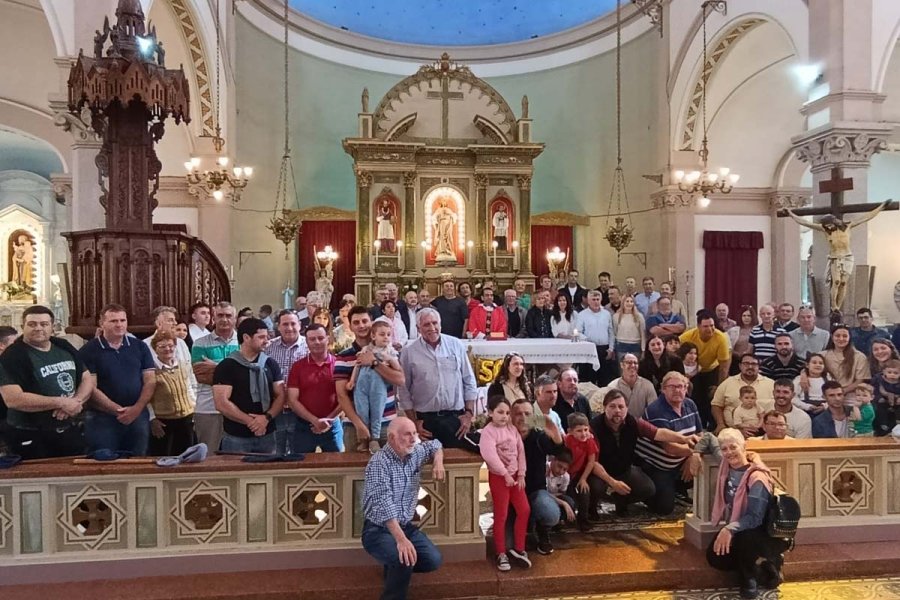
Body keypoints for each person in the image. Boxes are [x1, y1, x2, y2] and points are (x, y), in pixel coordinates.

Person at [362, 417, 445, 600]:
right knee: (403, 559)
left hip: (406, 525)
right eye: (407, 434)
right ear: (392, 438)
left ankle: (392, 565)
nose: (413, 439)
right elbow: (384, 504)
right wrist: (401, 540)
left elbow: (435, 444)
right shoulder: (379, 462)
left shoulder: (415, 451)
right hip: (378, 529)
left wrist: (438, 461)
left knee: (433, 560)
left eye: (415, 433)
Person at [706, 427, 789, 599]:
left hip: (764, 531)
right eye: (724, 449)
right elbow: (708, 437)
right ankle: (765, 568)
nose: (729, 452)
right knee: (715, 556)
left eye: (733, 447)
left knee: (744, 540)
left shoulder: (757, 477)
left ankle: (749, 578)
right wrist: (694, 454)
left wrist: (729, 529)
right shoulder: (726, 465)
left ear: (744, 446)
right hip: (741, 526)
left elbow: (755, 517)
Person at [0, 307, 91, 459]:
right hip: (31, 433)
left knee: (73, 478)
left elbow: (87, 378)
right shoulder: (11, 356)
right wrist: (61, 402)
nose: (38, 328)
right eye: (32, 324)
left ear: (52, 327)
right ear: (23, 327)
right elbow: (13, 399)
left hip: (68, 428)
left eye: (44, 324)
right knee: (38, 479)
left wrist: (76, 401)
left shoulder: (62, 346)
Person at [591, 389, 699, 516]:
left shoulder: (634, 422)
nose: (617, 410)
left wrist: (684, 438)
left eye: (621, 407)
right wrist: (612, 483)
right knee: (594, 488)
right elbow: (593, 462)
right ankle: (591, 509)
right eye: (612, 406)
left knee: (647, 489)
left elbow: (659, 433)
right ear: (605, 408)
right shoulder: (594, 427)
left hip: (624, 470)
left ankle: (621, 501)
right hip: (600, 473)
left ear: (627, 408)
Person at [397, 308, 479, 451]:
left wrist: (469, 414)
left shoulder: (456, 345)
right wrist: (413, 422)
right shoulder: (409, 352)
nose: (432, 328)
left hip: (456, 419)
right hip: (426, 422)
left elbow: (469, 381)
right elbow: (403, 390)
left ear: (441, 324)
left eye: (435, 323)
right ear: (418, 328)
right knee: (428, 468)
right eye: (426, 324)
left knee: (457, 465)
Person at [80, 304, 156, 456]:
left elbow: (150, 381)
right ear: (102, 323)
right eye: (114, 321)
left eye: (123, 320)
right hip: (102, 418)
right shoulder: (89, 350)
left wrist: (136, 409)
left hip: (137, 414)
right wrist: (118, 411)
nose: (119, 324)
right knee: (104, 461)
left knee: (138, 460)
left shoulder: (139, 346)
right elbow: (91, 387)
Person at [785, 202, 888, 313]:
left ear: (834, 221)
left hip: (847, 257)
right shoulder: (825, 230)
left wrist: (881, 207)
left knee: (844, 282)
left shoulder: (847, 226)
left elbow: (866, 217)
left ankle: (838, 306)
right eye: (827, 225)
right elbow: (805, 222)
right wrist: (791, 214)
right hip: (835, 257)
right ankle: (834, 306)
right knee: (837, 281)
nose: (828, 226)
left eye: (829, 224)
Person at [212, 317, 284, 454]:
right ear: (246, 337)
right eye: (261, 337)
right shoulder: (227, 366)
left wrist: (266, 418)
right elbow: (221, 402)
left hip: (267, 434)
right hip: (236, 437)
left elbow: (280, 395)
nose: (266, 341)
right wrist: (252, 422)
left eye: (267, 336)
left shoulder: (270, 364)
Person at [635, 372, 703, 516]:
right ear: (663, 389)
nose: (677, 390)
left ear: (686, 388)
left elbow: (699, 434)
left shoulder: (690, 404)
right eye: (672, 387)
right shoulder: (656, 410)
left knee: (707, 466)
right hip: (655, 465)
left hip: (681, 459)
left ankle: (676, 487)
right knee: (664, 508)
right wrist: (694, 452)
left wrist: (693, 456)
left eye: (681, 386)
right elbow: (670, 448)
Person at [335, 307, 404, 450]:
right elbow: (342, 395)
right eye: (356, 322)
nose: (361, 325)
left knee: (389, 470)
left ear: (371, 323)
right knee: (353, 470)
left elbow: (400, 380)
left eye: (365, 321)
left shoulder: (388, 351)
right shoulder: (343, 356)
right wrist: (359, 425)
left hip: (387, 423)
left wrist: (374, 363)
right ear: (351, 326)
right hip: (355, 426)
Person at [481, 396, 532, 571]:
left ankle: (519, 548)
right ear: (490, 412)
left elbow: (521, 452)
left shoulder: (512, 429)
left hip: (516, 477)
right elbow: (490, 456)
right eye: (500, 412)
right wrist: (504, 474)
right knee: (501, 515)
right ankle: (500, 552)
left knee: (524, 510)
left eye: (507, 413)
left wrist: (521, 475)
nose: (504, 416)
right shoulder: (488, 432)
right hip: (499, 478)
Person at [510, 399, 564, 555]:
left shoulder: (539, 437)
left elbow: (558, 451)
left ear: (534, 417)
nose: (523, 417)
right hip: (511, 494)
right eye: (518, 414)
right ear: (511, 416)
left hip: (535, 492)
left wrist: (555, 432)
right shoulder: (505, 436)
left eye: (527, 414)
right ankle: (526, 523)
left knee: (551, 514)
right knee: (508, 545)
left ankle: (541, 528)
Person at [286, 323, 343, 453]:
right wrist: (315, 421)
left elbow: (344, 397)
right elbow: (292, 400)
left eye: (320, 338)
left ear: (328, 339)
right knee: (301, 468)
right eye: (312, 339)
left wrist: (328, 420)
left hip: (332, 425)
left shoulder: (339, 364)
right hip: (303, 427)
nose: (317, 342)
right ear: (306, 342)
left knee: (336, 467)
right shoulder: (297, 367)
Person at [191, 302, 239, 452]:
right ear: (214, 318)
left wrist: (216, 367)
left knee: (236, 457)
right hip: (208, 408)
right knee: (208, 454)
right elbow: (201, 375)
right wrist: (233, 370)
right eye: (220, 315)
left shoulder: (244, 342)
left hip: (238, 407)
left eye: (228, 316)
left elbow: (248, 375)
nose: (224, 319)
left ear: (235, 318)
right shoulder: (200, 343)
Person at [266, 310, 309, 455]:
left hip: (300, 411)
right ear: (278, 327)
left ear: (300, 325)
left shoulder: (310, 346)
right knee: (275, 454)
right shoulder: (268, 348)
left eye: (293, 324)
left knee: (298, 455)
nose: (289, 328)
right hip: (275, 410)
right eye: (285, 324)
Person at [680, 310, 731, 430]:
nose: (710, 329)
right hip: (693, 372)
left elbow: (724, 366)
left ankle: (713, 427)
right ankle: (697, 427)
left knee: (712, 398)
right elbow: (675, 352)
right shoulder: (687, 336)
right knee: (696, 399)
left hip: (712, 370)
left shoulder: (721, 338)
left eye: (712, 325)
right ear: (698, 327)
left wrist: (719, 386)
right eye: (706, 326)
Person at [147, 331, 194, 456]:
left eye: (171, 345)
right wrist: (152, 419)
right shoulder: (152, 372)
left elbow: (191, 387)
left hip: (186, 420)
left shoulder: (183, 366)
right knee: (164, 459)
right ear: (155, 350)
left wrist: (193, 407)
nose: (168, 349)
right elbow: (146, 399)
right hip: (163, 423)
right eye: (162, 347)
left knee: (187, 459)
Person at [711, 353, 775, 436]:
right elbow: (716, 405)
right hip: (732, 432)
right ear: (740, 366)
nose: (750, 367)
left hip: (764, 433)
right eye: (746, 364)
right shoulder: (727, 383)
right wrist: (720, 424)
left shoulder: (771, 384)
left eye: (754, 364)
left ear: (759, 367)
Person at [563, 412, 604, 531]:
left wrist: (583, 479)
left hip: (579, 473)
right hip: (565, 473)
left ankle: (583, 519)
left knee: (584, 491)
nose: (584, 434)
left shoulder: (589, 441)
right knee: (569, 495)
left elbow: (591, 461)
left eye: (586, 429)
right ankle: (566, 517)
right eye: (579, 431)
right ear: (570, 431)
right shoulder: (566, 440)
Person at [574, 290, 616, 386]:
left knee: (604, 380)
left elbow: (611, 332)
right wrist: (587, 339)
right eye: (593, 299)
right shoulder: (582, 315)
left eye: (598, 299)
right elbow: (578, 332)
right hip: (588, 349)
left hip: (604, 349)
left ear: (601, 300)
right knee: (588, 380)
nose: (596, 302)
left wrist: (611, 349)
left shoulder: (607, 314)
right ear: (588, 301)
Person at [823, 325, 870, 399]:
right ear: (832, 337)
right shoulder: (823, 355)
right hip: (826, 394)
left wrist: (841, 392)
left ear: (850, 337)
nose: (841, 339)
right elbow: (810, 369)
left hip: (850, 395)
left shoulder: (859, 357)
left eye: (845, 336)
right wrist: (804, 373)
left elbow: (859, 380)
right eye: (837, 336)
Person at [606, 353, 657, 419]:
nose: (633, 365)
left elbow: (653, 410)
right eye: (629, 362)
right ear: (622, 365)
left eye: (635, 363)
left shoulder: (648, 385)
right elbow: (609, 411)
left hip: (642, 425)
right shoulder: (612, 387)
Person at [613, 295, 646, 362]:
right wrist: (613, 348)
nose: (629, 303)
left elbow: (643, 334)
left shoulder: (639, 316)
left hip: (635, 345)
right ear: (623, 303)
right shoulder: (616, 316)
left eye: (631, 301)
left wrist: (643, 350)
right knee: (622, 368)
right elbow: (614, 333)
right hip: (621, 345)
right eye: (627, 301)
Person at [872, 358, 900, 436]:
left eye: (896, 373)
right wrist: (880, 398)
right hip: (883, 402)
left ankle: (898, 422)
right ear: (884, 372)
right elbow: (874, 391)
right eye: (889, 372)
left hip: (896, 403)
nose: (892, 375)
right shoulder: (878, 380)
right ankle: (883, 424)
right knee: (880, 407)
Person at [726, 306, 757, 374]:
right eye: (744, 315)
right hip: (736, 361)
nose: (746, 318)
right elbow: (728, 348)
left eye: (749, 316)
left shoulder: (757, 330)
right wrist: (737, 354)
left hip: (752, 361)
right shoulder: (733, 331)